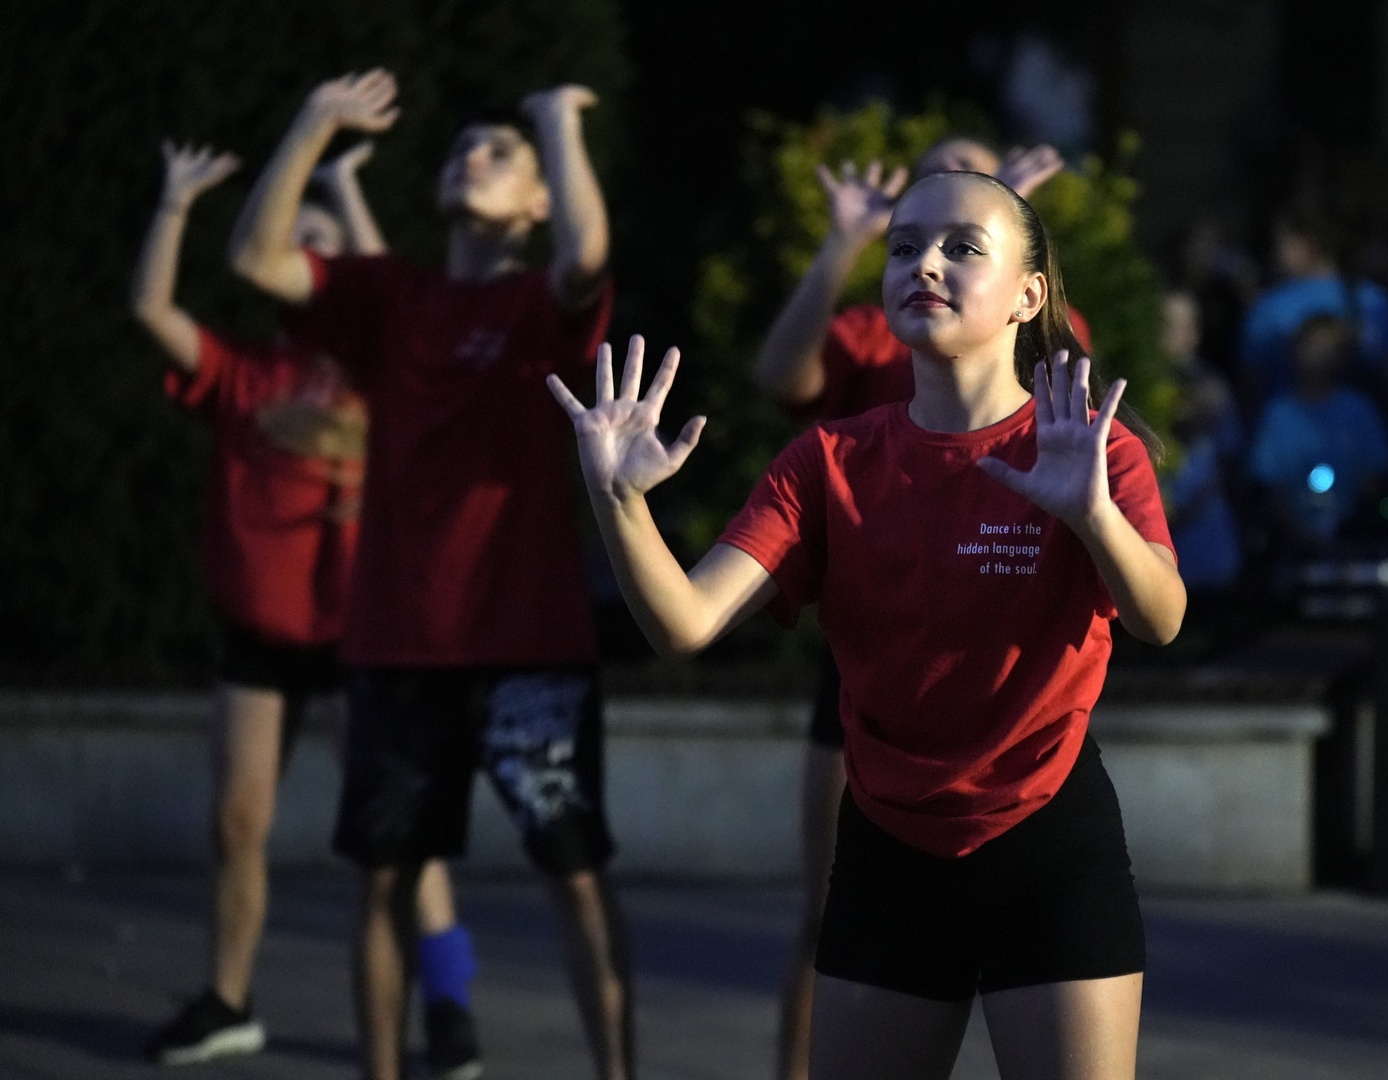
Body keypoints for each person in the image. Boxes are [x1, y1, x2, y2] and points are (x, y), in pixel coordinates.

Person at [552, 169, 1185, 1080]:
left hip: (1048, 841)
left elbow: (1161, 618)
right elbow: (685, 623)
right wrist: (619, 501)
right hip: (890, 850)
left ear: (1028, 295)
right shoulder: (828, 461)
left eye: (961, 248)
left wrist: (1092, 515)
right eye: (903, 247)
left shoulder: (1090, 447)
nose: (924, 264)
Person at [227, 70, 628, 1080]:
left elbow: (586, 254)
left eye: (498, 154)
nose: (470, 158)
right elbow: (254, 257)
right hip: (399, 648)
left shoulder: (538, 304)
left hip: (532, 647)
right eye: (459, 151)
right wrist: (312, 120)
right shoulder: (390, 295)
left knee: (578, 878)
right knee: (383, 882)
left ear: (536, 200)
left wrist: (554, 122)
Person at [131, 139, 482, 1075]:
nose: (310, 250)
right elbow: (151, 310)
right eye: (298, 236)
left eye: (325, 239)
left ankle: (449, 1004)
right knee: (236, 822)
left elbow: (397, 293)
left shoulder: (388, 373)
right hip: (261, 633)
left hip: (365, 635)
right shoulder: (247, 371)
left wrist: (343, 186)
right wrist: (174, 202)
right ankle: (228, 999)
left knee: (401, 840)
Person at [749, 134, 1086, 1080]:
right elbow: (783, 376)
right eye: (913, 232)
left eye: (964, 230)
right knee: (828, 907)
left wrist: (1004, 233)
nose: (929, 258)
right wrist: (844, 243)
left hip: (1012, 729)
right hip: (880, 669)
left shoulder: (1033, 348)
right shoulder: (866, 357)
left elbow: (1151, 594)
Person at [1248, 315, 1388, 551]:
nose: (1320, 354)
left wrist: (1355, 525)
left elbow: (1375, 476)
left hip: (1352, 540)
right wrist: (1293, 533)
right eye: (1313, 345)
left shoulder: (1359, 409)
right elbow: (1269, 483)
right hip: (1292, 543)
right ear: (1294, 350)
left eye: (1330, 348)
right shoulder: (1278, 413)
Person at [1238, 208, 1388, 408]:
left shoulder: (1268, 309)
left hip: (1290, 423)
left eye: (1282, 243)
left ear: (1307, 242)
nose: (1276, 254)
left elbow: (1250, 385)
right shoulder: (1374, 299)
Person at [1160, 289, 1243, 590]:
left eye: (1190, 325)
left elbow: (1230, 461)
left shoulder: (1213, 389)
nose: (1185, 335)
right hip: (1156, 552)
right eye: (1172, 325)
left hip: (1207, 549)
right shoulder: (1134, 389)